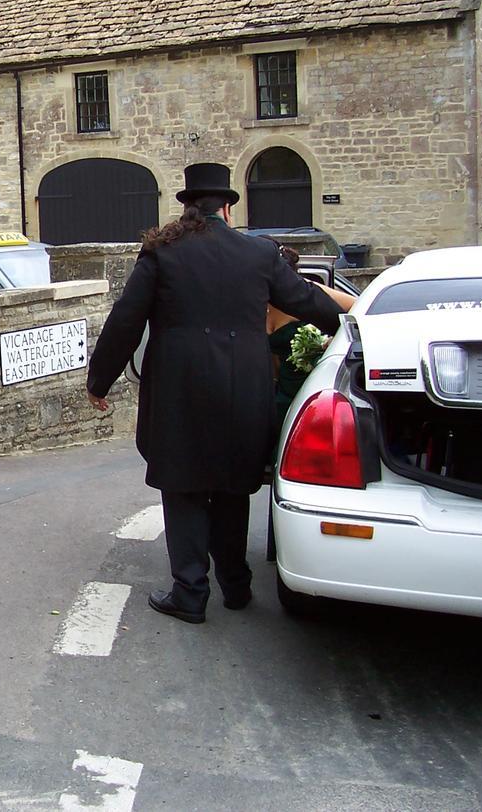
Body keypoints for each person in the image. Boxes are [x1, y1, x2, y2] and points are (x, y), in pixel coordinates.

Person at [86, 163, 344, 624]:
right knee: (231, 486)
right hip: (243, 387)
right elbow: (307, 301)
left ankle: (190, 592)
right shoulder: (260, 254)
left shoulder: (162, 254)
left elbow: (125, 321)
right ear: (227, 206)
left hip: (178, 389)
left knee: (182, 486)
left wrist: (98, 382)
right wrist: (343, 331)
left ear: (187, 207)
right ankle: (236, 585)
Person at [265, 240, 356, 426]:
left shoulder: (305, 290)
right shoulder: (254, 296)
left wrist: (335, 340)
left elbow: (358, 307)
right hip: (273, 393)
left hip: (308, 386)